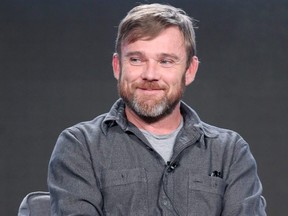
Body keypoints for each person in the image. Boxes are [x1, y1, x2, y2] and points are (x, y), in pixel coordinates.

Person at [48, 3, 266, 216]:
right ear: (117, 66)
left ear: (189, 71)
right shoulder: (80, 146)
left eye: (166, 61)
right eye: (136, 59)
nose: (150, 74)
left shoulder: (229, 152)